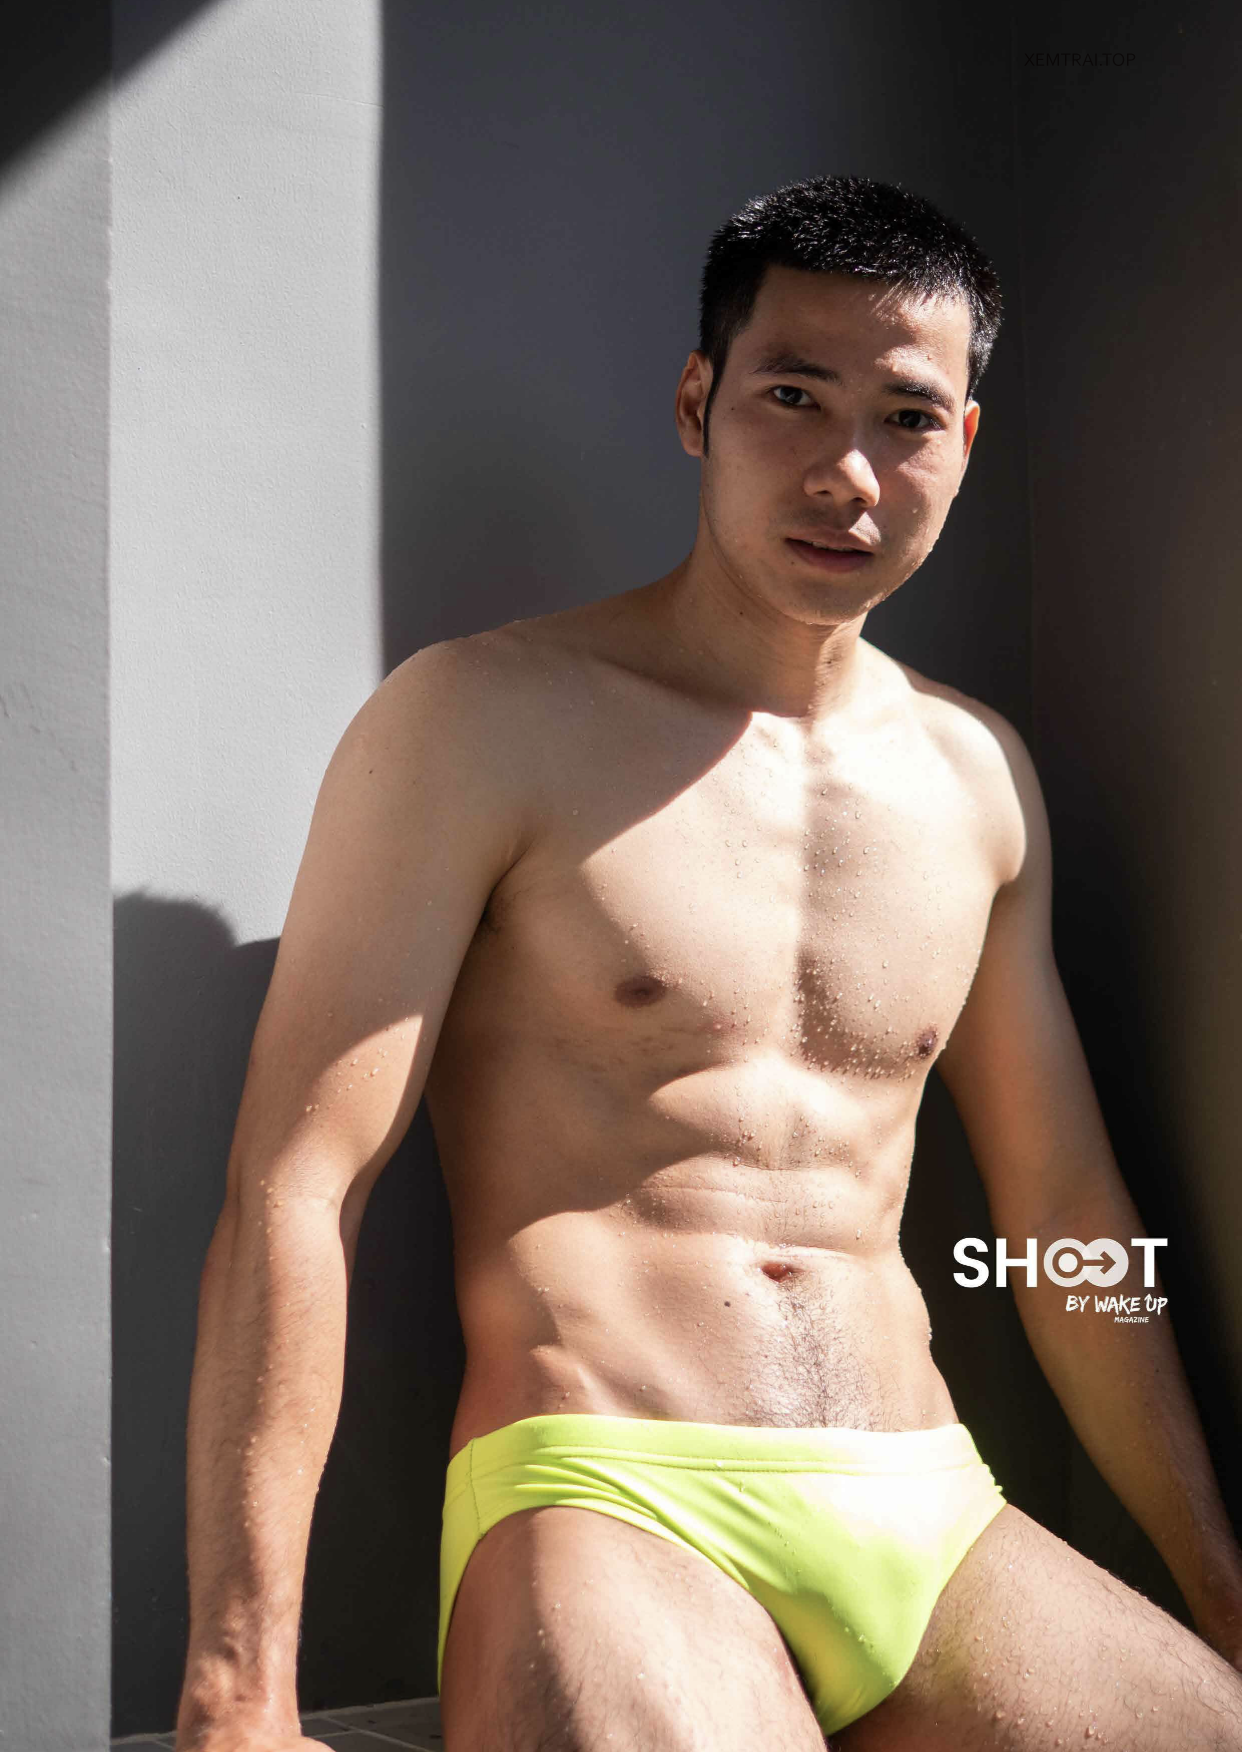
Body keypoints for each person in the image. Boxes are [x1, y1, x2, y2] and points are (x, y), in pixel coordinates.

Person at [175, 177, 1242, 1752]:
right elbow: (298, 1182)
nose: (845, 472)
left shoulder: (974, 778)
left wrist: (1221, 1590)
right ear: (697, 403)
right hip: (610, 1491)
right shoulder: (480, 720)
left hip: (928, 1513)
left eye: (905, 419)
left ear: (963, 443)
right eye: (790, 397)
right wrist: (237, 1689)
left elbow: (1063, 1222)